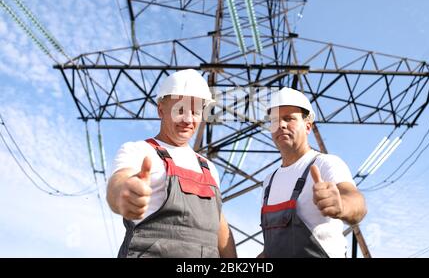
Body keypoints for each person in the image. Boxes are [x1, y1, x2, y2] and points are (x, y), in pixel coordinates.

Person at [106, 69, 237, 258]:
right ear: (161, 110)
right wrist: (124, 193)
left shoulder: (208, 168)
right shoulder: (139, 151)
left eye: (195, 112)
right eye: (180, 110)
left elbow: (219, 226)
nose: (188, 119)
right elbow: (118, 184)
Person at [259, 87, 367, 258]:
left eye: (289, 119)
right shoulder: (269, 181)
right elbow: (275, 247)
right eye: (274, 120)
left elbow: (357, 204)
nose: (280, 125)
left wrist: (342, 206)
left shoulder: (325, 164)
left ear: (308, 126)